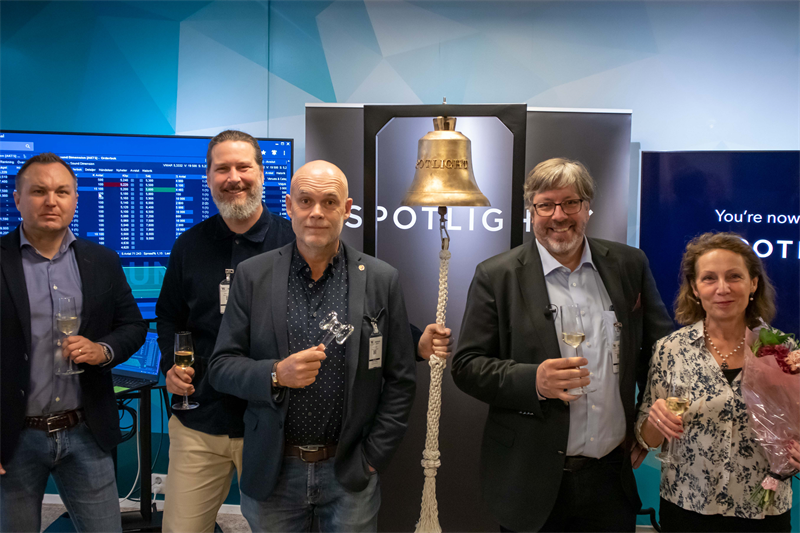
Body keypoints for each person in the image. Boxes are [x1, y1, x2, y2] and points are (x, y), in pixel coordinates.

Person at [451, 158, 673, 533]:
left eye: (571, 202)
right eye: (545, 205)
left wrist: (646, 421)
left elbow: (661, 353)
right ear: (531, 211)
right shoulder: (496, 275)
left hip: (610, 478)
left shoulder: (628, 264)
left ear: (587, 207)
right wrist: (533, 380)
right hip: (529, 479)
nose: (559, 215)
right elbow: (467, 366)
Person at [208, 160, 417, 532]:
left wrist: (373, 457)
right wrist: (276, 374)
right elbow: (221, 366)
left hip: (350, 471)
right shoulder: (253, 276)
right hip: (274, 470)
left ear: (347, 209)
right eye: (305, 201)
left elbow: (401, 378)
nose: (316, 212)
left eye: (329, 202)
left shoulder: (381, 279)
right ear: (289, 206)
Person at [155, 130, 295, 532]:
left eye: (243, 167)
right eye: (222, 169)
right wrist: (170, 366)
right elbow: (169, 317)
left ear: (262, 173)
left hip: (273, 423)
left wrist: (412, 341)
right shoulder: (188, 246)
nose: (233, 178)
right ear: (209, 176)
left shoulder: (295, 242)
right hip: (200, 423)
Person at [0, 153, 147, 532]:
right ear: (17, 199)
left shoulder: (102, 260)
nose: (51, 201)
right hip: (14, 437)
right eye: (39, 191)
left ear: (75, 198)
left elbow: (132, 325)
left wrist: (103, 350)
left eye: (62, 191)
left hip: (86, 430)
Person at [635, 232, 799, 533]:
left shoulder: (782, 351)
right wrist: (655, 421)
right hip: (687, 507)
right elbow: (648, 439)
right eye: (709, 278)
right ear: (695, 288)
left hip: (762, 509)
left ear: (753, 283)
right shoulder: (670, 350)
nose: (723, 288)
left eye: (734, 276)